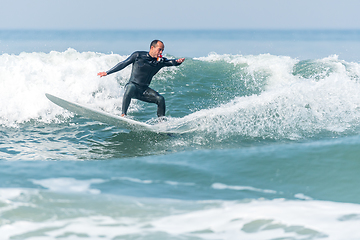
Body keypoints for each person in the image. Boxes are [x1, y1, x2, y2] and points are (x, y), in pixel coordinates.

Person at [98, 40, 185, 118]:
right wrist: (107, 72)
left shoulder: (160, 61)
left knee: (160, 99)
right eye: (160, 49)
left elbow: (171, 62)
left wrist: (178, 62)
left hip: (144, 91)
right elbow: (123, 64)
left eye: (162, 50)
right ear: (152, 47)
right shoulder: (138, 55)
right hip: (133, 87)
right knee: (130, 87)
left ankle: (162, 123)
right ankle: (123, 114)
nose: (161, 52)